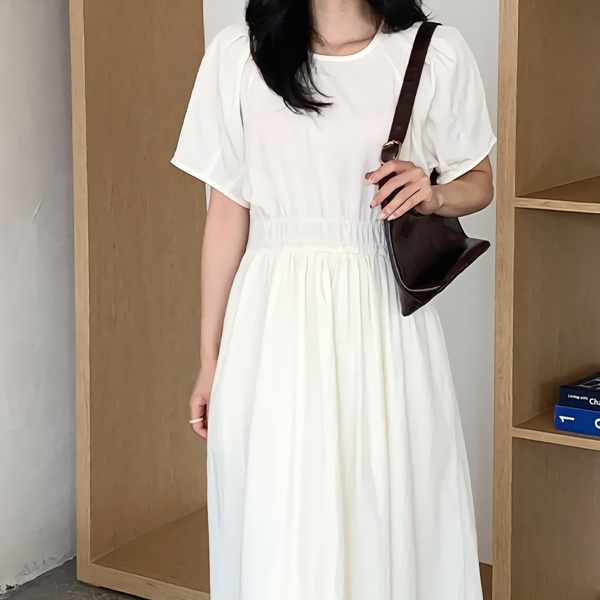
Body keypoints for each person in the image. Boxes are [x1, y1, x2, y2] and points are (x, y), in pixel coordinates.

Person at [171, 0, 496, 597]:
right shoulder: (238, 55)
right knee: (279, 515)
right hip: (270, 323)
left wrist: (432, 194)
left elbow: (479, 181)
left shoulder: (432, 52)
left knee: (384, 505)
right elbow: (227, 214)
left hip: (381, 319)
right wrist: (210, 359)